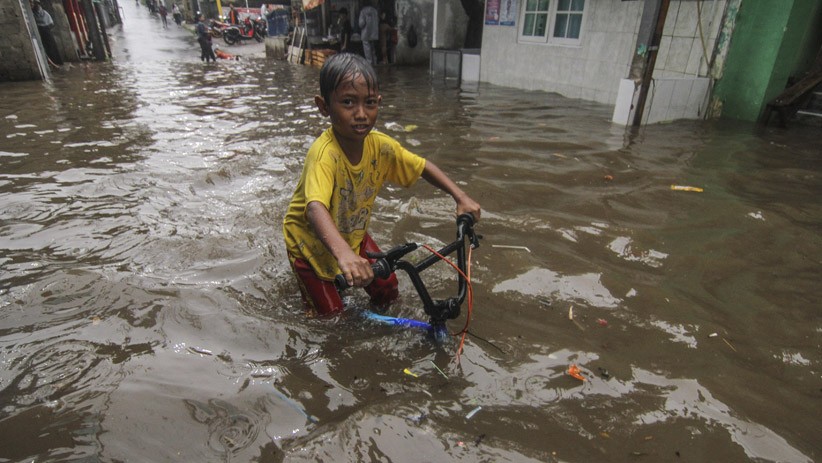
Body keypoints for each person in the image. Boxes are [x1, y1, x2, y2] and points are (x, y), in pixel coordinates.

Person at [282, 53, 481, 316]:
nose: (361, 114)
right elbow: (315, 208)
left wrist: (460, 196)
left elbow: (420, 166)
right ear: (324, 107)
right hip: (309, 244)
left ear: (379, 102)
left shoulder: (381, 146)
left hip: (352, 232)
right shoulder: (323, 155)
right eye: (348, 102)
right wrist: (345, 255)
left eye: (370, 103)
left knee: (388, 290)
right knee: (330, 316)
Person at [31, 0, 63, 66]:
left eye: (37, 4)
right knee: (46, 48)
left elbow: (51, 23)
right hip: (41, 32)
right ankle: (51, 63)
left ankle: (56, 61)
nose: (37, 6)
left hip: (47, 32)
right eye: (35, 4)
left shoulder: (44, 13)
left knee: (52, 47)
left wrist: (45, 27)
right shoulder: (33, 14)